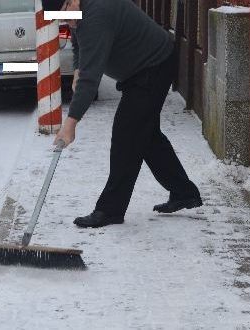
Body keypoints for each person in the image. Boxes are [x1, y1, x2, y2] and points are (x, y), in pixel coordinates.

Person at [50, 0, 202, 228]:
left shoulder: (97, 14)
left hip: (154, 66)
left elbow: (91, 81)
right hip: (140, 70)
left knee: (127, 135)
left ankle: (110, 210)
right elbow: (78, 42)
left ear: (72, 1)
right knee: (146, 136)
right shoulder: (80, 11)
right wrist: (78, 68)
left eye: (63, 14)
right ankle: (184, 192)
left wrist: (70, 124)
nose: (65, 22)